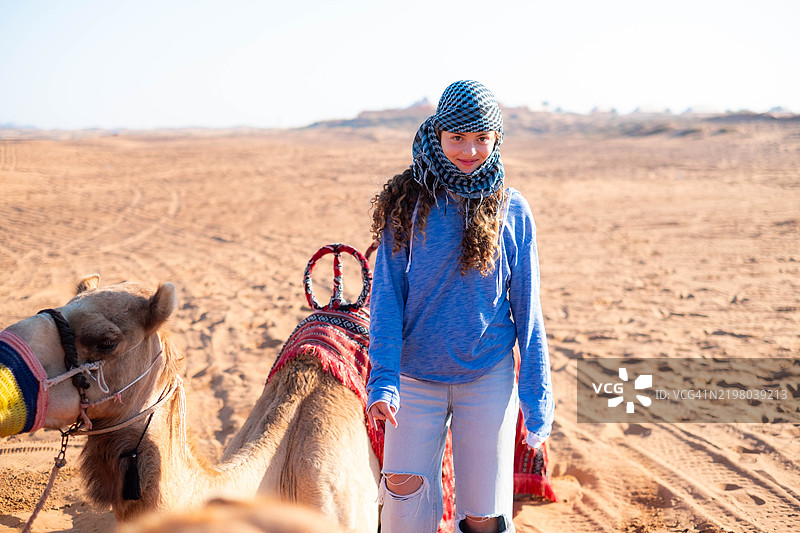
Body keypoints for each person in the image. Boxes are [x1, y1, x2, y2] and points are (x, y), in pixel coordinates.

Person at [366, 80, 554, 533]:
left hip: (486, 378)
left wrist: (536, 397)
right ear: (438, 134)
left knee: (484, 517)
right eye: (457, 138)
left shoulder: (514, 211)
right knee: (402, 508)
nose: (470, 150)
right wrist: (384, 381)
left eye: (481, 138)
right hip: (414, 381)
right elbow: (387, 298)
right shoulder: (407, 205)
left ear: (497, 138)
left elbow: (528, 311)